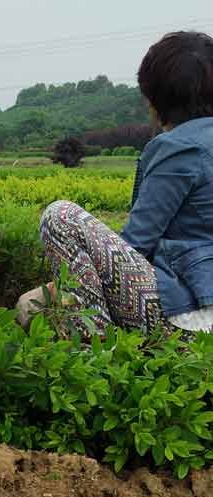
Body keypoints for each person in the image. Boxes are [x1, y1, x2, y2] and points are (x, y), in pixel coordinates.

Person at [17, 30, 213, 339]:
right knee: (36, 301)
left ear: (153, 97)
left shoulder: (178, 148)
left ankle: (94, 350)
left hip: (190, 318)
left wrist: (58, 288)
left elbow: (137, 244)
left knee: (61, 217)